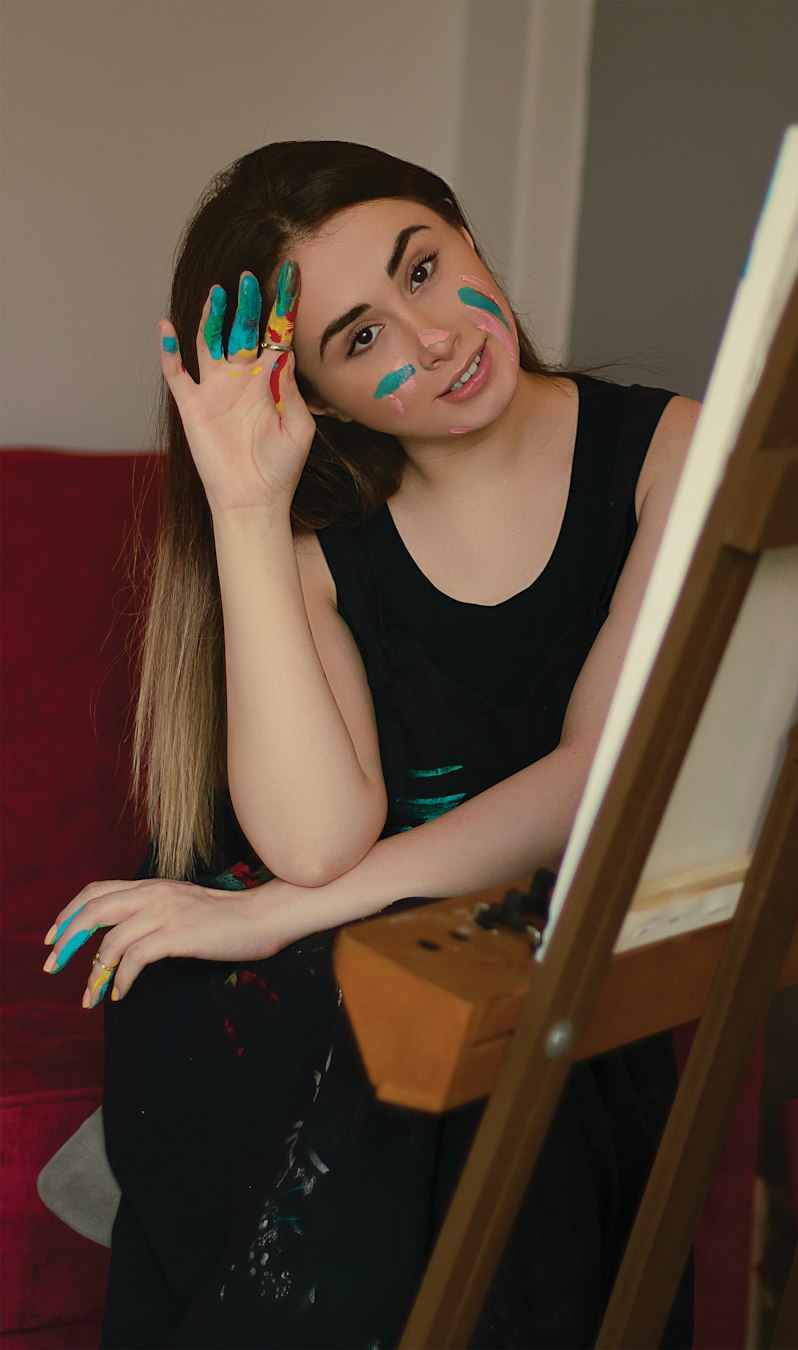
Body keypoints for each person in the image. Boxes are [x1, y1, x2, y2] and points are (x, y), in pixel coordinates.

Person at [43, 141, 699, 1349]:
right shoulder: (325, 545)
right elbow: (312, 841)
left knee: (469, 1044)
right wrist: (246, 508)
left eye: (426, 268)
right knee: (356, 1014)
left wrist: (280, 914)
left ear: (465, 236)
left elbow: (605, 777)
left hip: (495, 966)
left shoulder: (674, 457)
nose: (433, 336)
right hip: (312, 976)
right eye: (359, 339)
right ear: (320, 397)